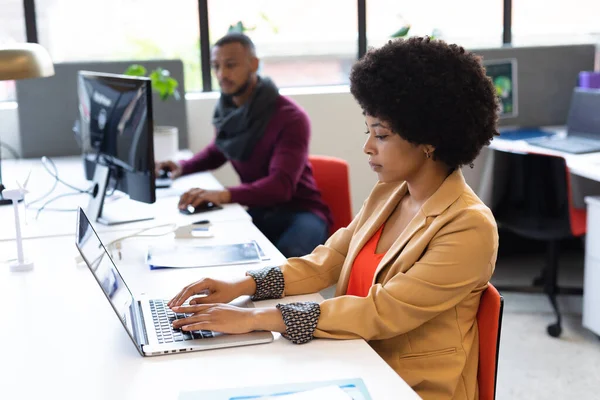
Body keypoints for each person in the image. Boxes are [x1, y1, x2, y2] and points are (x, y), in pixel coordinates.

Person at [167, 37, 499, 400]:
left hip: (406, 386)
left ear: (429, 140)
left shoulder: (469, 227)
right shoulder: (390, 192)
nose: (367, 147)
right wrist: (242, 285)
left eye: (381, 135)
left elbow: (380, 311)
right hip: (352, 360)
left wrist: (255, 319)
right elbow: (327, 261)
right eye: (368, 131)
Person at [156, 33, 332, 258]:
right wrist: (182, 167)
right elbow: (218, 150)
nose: (221, 75)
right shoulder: (228, 111)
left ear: (254, 64)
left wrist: (221, 195)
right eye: (216, 66)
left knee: (285, 266)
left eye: (230, 65)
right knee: (220, 250)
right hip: (260, 210)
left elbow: (280, 187)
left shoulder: (290, 117)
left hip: (301, 212)